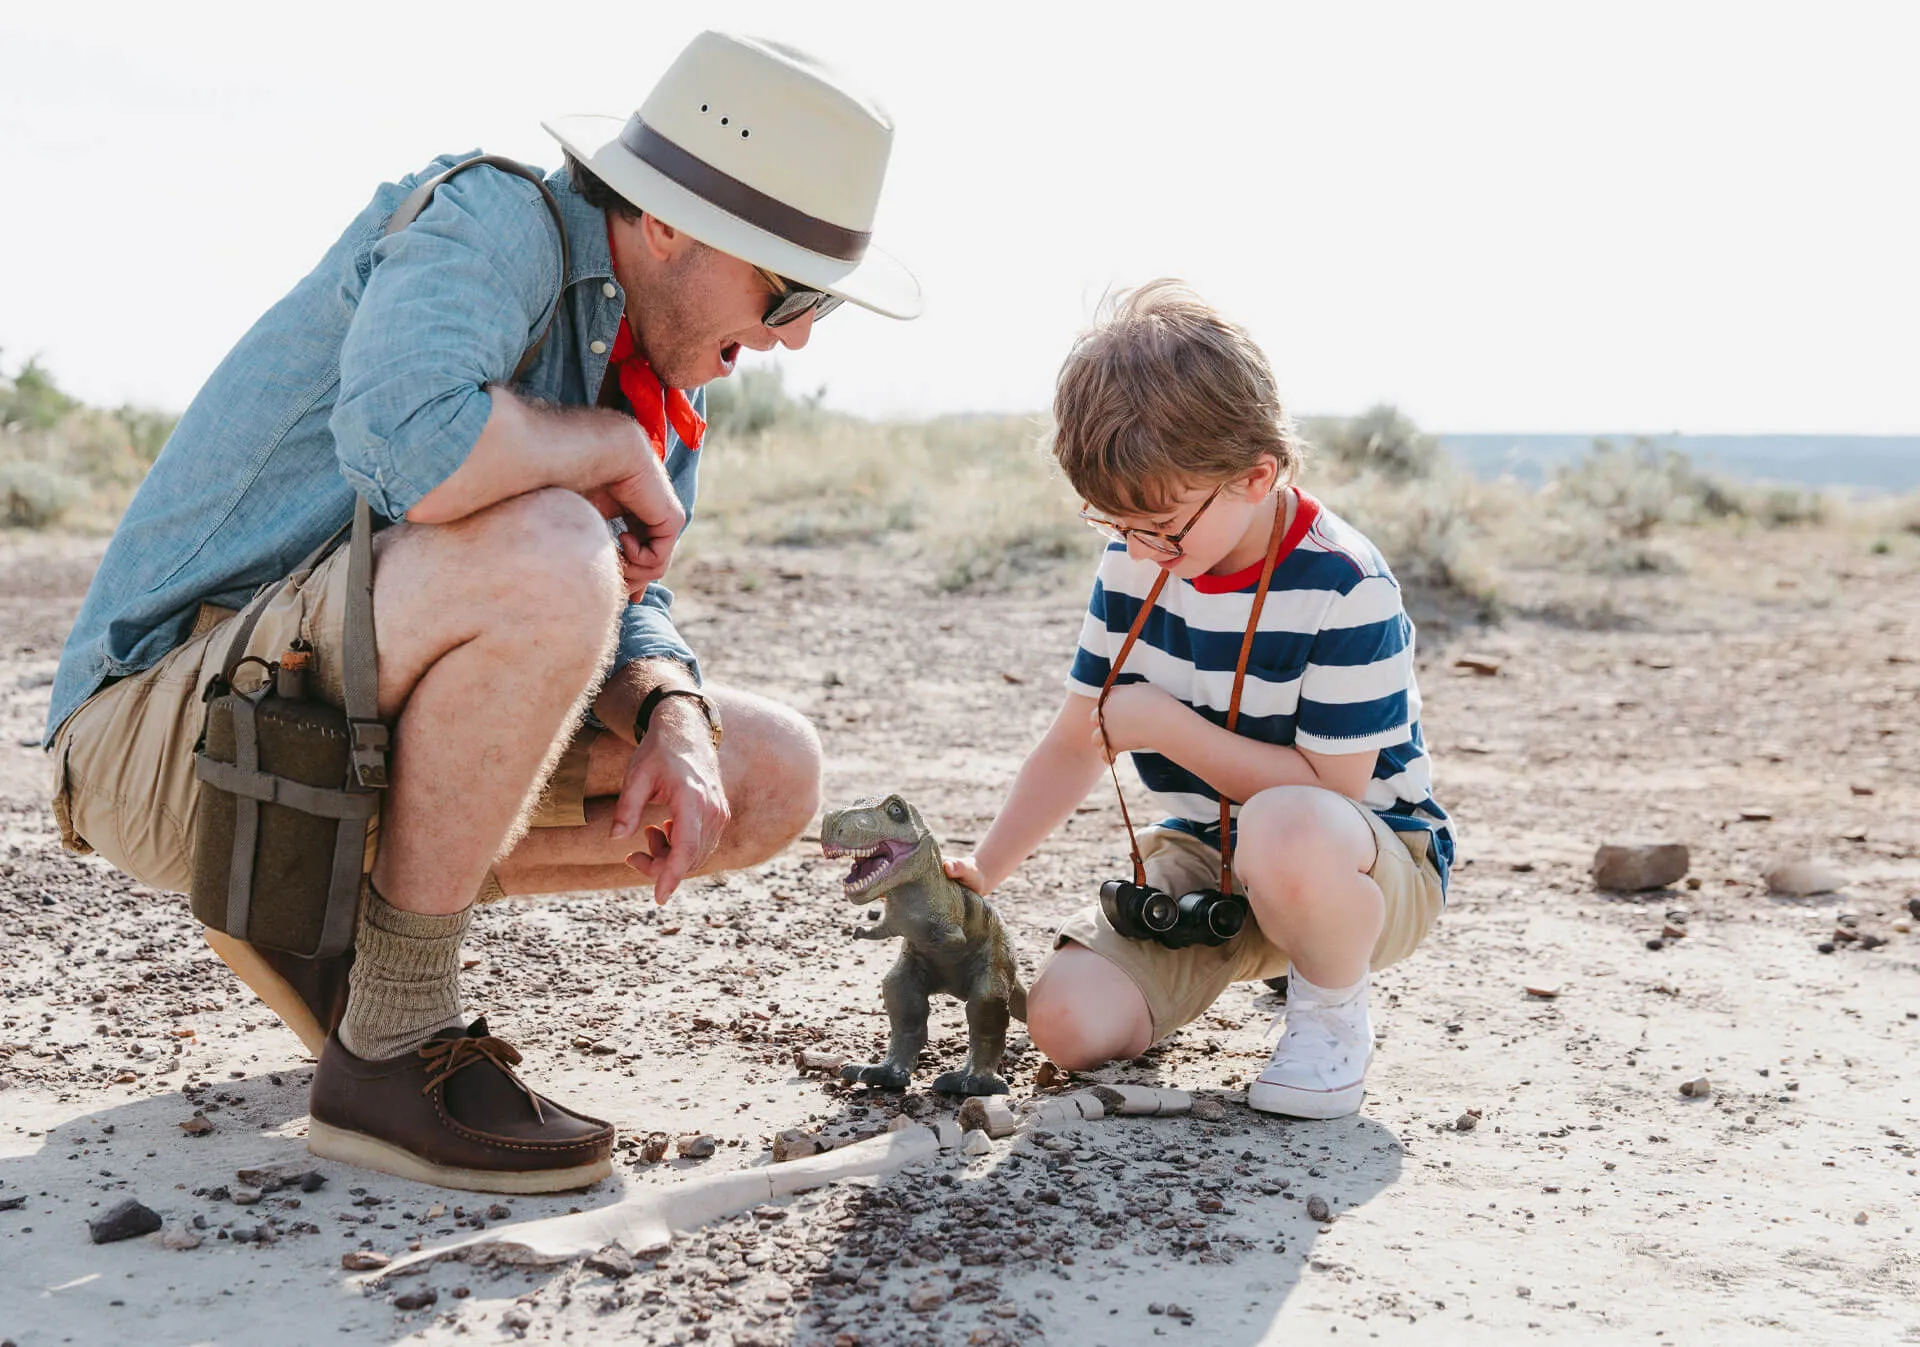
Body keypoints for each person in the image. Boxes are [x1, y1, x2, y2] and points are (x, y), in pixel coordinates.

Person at [42, 31, 920, 1191]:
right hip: (165, 734)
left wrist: (670, 708)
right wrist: (604, 447)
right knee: (553, 544)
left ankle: (319, 913)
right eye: (790, 288)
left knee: (764, 772)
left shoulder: (655, 373)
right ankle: (396, 1038)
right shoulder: (493, 220)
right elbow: (412, 448)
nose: (799, 333)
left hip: (316, 742)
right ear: (667, 224)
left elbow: (614, 600)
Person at [945, 282, 1453, 1119]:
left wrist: (1163, 726)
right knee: (1065, 1021)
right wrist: (986, 868)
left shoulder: (1344, 582)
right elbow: (1079, 741)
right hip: (1211, 859)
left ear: (1257, 475)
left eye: (1165, 528)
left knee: (1285, 827)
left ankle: (1328, 1010)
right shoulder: (1136, 561)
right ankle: (1209, 964)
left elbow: (1332, 787)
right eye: (1115, 524)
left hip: (1360, 856)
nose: (1143, 548)